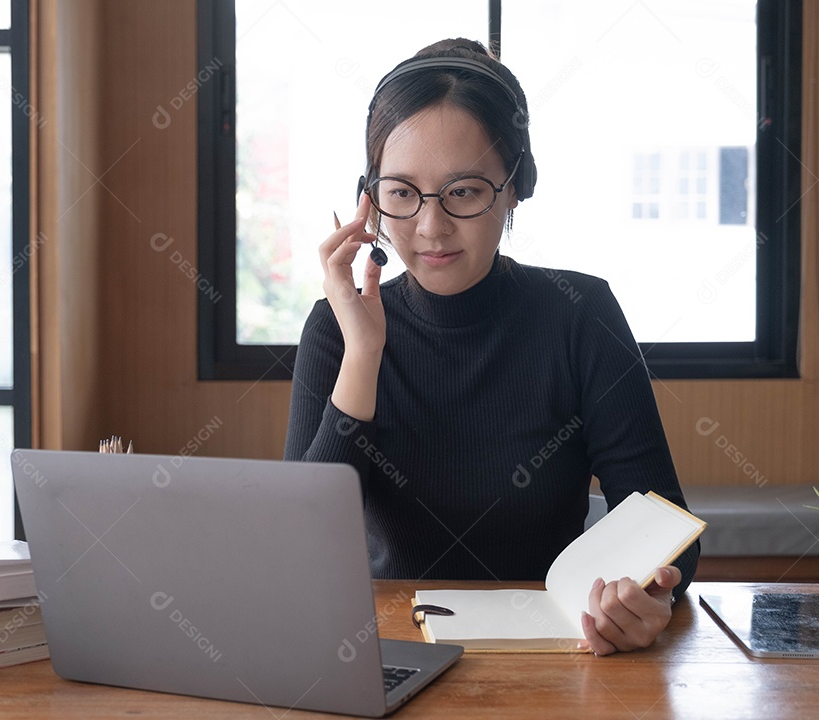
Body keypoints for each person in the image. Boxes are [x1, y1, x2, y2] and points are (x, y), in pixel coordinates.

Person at [283, 38, 699, 655]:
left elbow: (669, 530)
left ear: (514, 187)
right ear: (368, 201)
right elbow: (298, 548)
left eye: (465, 191)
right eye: (401, 193)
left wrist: (647, 595)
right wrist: (363, 353)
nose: (430, 226)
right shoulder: (335, 327)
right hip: (384, 650)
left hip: (556, 651)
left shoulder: (580, 314)